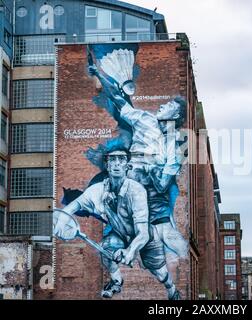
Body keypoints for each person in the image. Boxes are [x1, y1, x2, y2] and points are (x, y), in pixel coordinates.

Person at [88, 63, 188, 258]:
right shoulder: (144, 118)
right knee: (118, 227)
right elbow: (117, 98)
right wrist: (100, 75)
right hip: (132, 178)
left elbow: (162, 183)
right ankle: (118, 262)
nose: (162, 105)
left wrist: (153, 172)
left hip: (151, 188)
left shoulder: (174, 143)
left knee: (166, 232)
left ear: (175, 115)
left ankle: (180, 256)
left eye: (168, 106)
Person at [60, 147, 181, 299]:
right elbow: (74, 205)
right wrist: (60, 221)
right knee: (106, 249)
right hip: (120, 234)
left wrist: (130, 251)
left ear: (127, 165)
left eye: (121, 159)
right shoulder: (97, 190)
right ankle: (116, 281)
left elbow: (142, 233)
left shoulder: (137, 191)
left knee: (161, 273)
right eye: (112, 159)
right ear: (107, 165)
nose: (117, 163)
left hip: (146, 236)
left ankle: (172, 289)